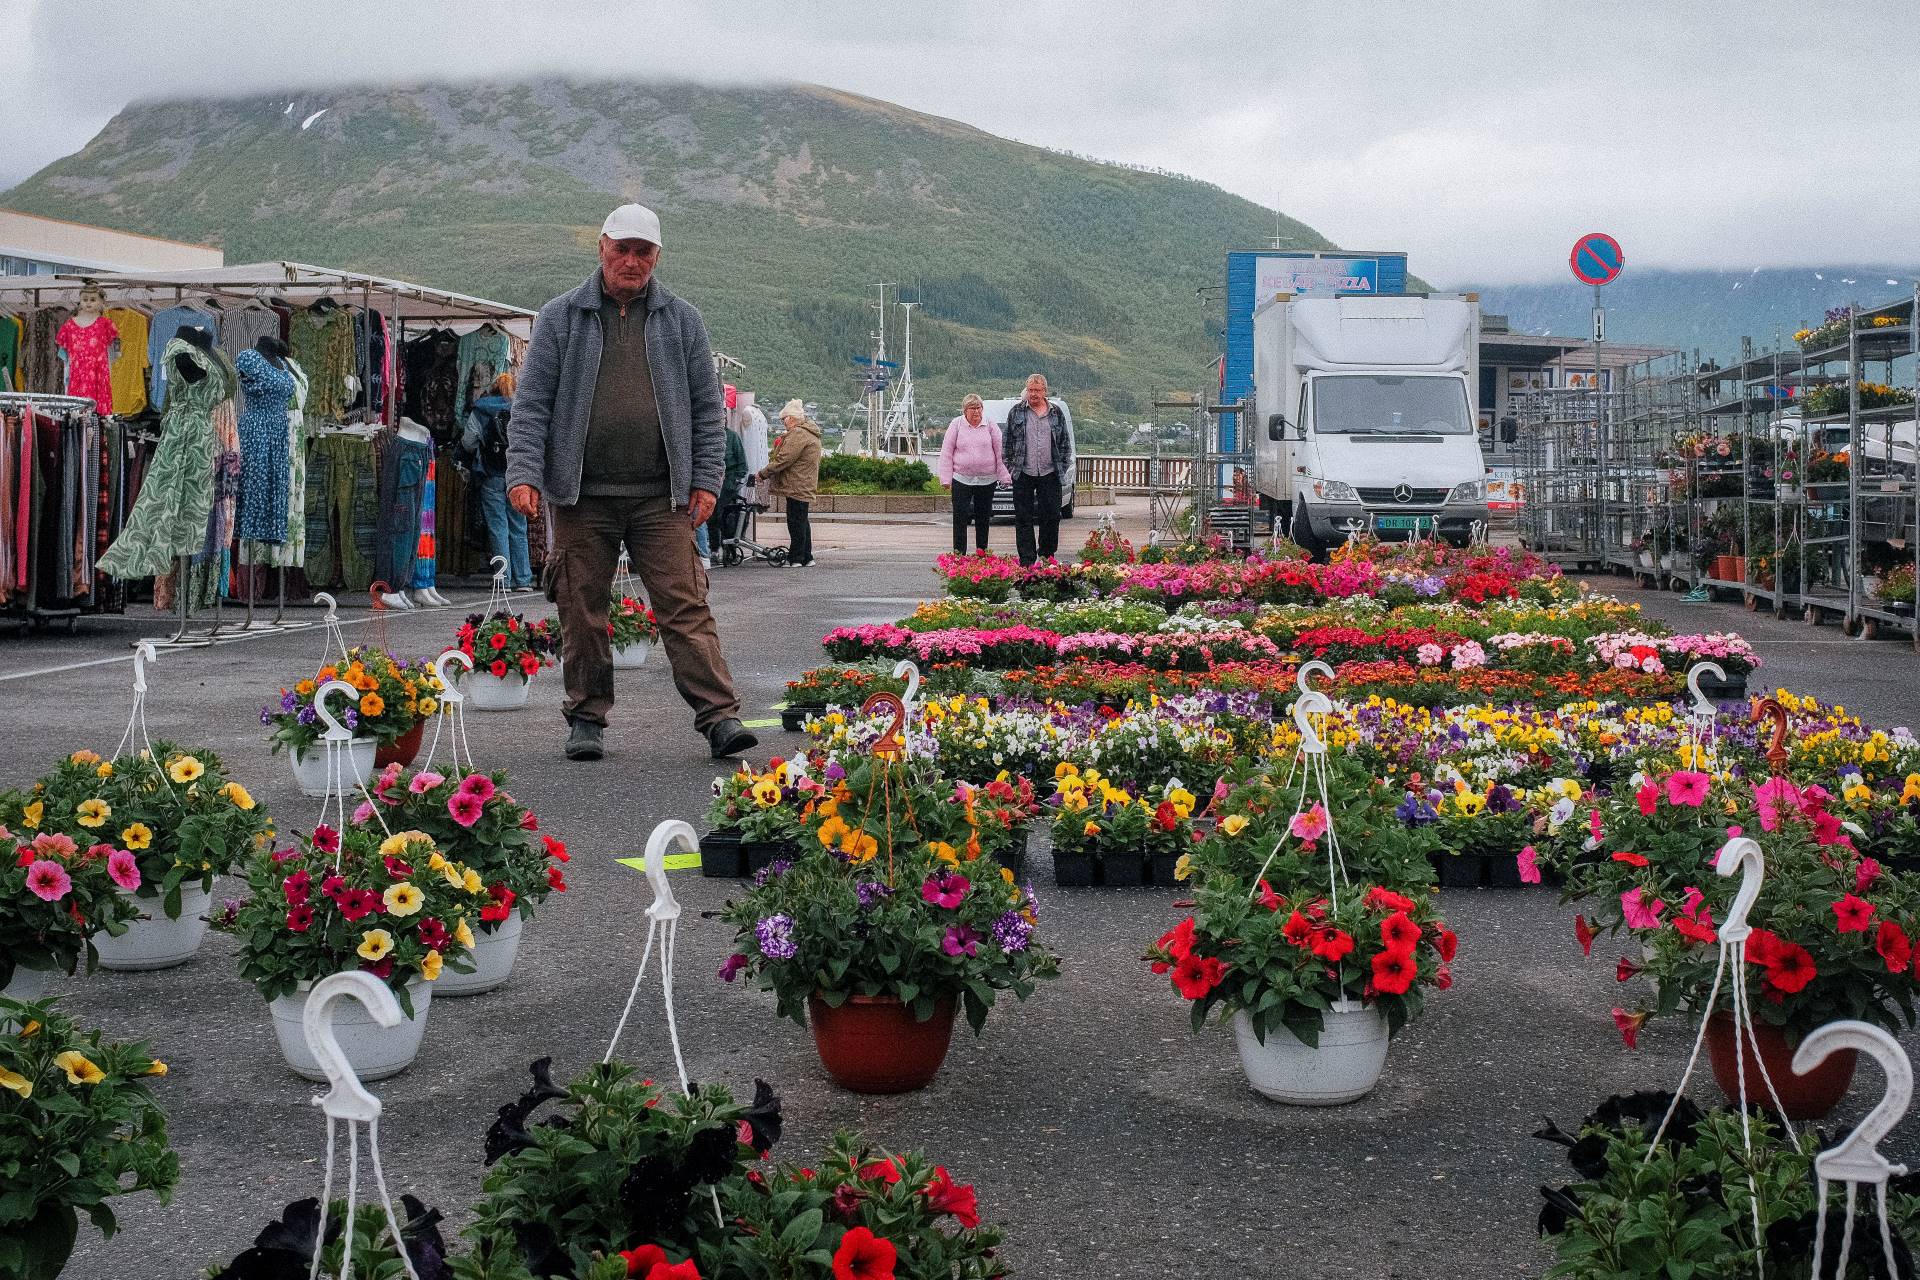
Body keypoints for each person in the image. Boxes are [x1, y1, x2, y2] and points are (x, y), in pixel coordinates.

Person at [506, 202, 757, 762]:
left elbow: (705, 408)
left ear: (657, 257)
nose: (632, 261)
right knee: (581, 608)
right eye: (622, 249)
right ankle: (587, 719)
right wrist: (523, 471)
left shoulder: (682, 320)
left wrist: (709, 480)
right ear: (601, 247)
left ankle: (719, 718)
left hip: (661, 495)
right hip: (580, 495)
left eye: (643, 252)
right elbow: (532, 406)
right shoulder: (560, 317)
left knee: (685, 605)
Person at [461, 372, 534, 589]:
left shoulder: (481, 410)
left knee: (497, 526)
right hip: (516, 474)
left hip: (490, 473)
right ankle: (523, 579)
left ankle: (503, 578)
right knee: (518, 526)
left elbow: (468, 442)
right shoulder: (521, 408)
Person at [1001, 373, 1071, 566]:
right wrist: (1012, 468)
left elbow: (1065, 443)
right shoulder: (1016, 412)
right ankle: (1027, 559)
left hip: (1050, 473)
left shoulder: (1056, 412)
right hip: (1023, 473)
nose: (1033, 394)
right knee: (1023, 518)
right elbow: (1006, 443)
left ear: (1044, 391)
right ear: (1026, 391)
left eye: (1037, 390)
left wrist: (1062, 467)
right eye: (1030, 390)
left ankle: (1047, 556)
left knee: (1051, 517)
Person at [937, 393, 1010, 555]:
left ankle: (982, 553)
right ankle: (959, 554)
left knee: (983, 519)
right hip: (961, 479)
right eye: (972, 408)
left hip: (987, 480)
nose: (976, 411)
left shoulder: (990, 425)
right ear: (965, 411)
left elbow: (1000, 453)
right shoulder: (956, 424)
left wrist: (1004, 475)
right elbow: (947, 452)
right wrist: (945, 479)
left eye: (979, 408)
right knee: (960, 518)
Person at [759, 399, 821, 568]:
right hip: (805, 484)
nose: (783, 422)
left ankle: (796, 558)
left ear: (792, 418)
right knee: (802, 521)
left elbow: (784, 459)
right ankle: (807, 556)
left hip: (797, 485)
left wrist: (762, 474)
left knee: (795, 522)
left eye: (784, 419)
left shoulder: (798, 434)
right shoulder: (810, 433)